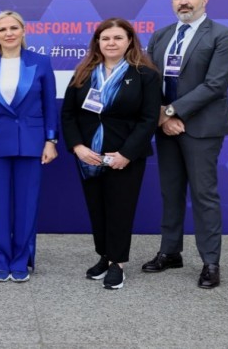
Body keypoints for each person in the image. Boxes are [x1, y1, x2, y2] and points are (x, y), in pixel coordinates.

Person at [142, 0, 228, 289]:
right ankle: (170, 252)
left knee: (203, 194)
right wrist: (162, 115)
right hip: (166, 127)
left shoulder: (223, 35)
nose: (183, 2)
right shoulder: (161, 36)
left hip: (202, 128)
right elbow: (149, 80)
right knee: (170, 191)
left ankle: (210, 262)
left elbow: (215, 84)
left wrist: (172, 111)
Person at [61, 18, 160, 290]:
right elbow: (68, 114)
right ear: (98, 43)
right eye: (105, 38)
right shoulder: (83, 72)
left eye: (117, 38)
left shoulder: (145, 75)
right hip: (89, 155)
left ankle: (118, 264)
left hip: (125, 156)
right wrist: (78, 148)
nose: (111, 43)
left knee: (120, 209)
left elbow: (149, 119)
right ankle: (104, 256)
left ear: (129, 41)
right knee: (97, 209)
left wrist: (126, 154)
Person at [0, 10, 58, 283]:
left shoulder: (40, 62)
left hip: (31, 142)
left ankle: (21, 260)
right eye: (2, 29)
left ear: (23, 31)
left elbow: (50, 105)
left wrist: (51, 140)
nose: (8, 33)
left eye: (13, 28)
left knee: (27, 205)